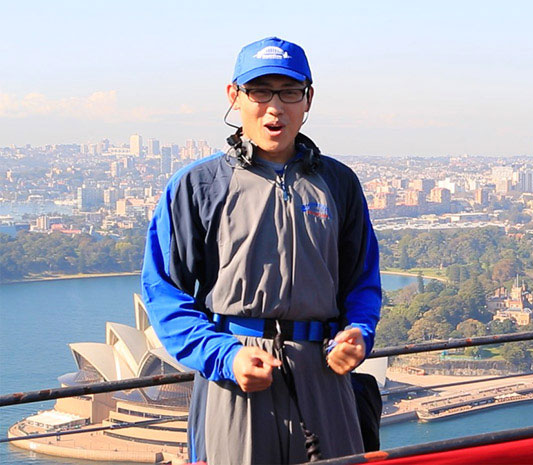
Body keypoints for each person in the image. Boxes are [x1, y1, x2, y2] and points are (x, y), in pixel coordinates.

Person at [141, 36, 381, 463]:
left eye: (289, 92)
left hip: (324, 374)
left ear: (308, 100)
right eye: (260, 91)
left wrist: (357, 331)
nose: (275, 107)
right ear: (234, 97)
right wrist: (224, 356)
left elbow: (361, 281)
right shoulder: (198, 186)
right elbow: (165, 293)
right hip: (235, 374)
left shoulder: (339, 183)